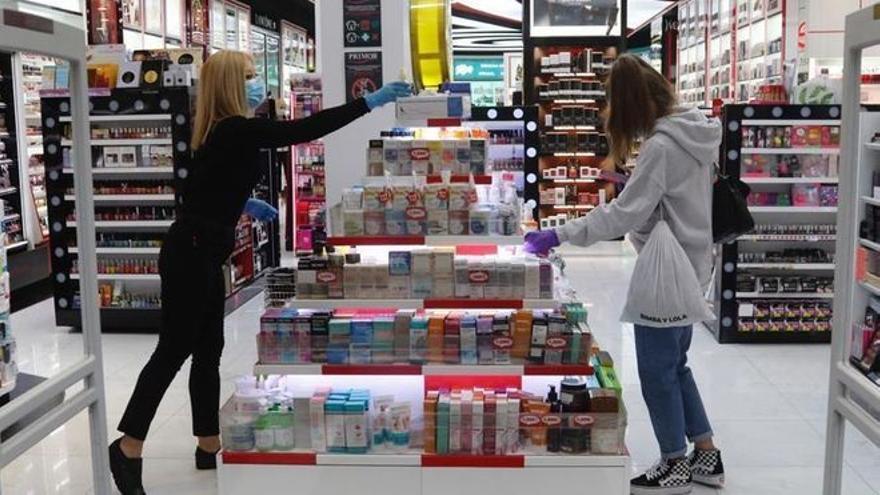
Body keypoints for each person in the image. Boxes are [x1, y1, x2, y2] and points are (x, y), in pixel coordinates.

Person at [108, 50, 411, 495]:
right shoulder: (236, 129)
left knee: (208, 349)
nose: (258, 83)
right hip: (191, 252)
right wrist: (369, 102)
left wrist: (239, 204)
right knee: (173, 351)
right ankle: (128, 445)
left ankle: (207, 442)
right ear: (231, 84)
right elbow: (301, 130)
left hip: (205, 249)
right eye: (249, 76)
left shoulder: (218, 130)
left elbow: (197, 186)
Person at [524, 54, 724, 495]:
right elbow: (667, 197)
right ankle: (706, 453)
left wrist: (557, 234)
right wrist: (634, 181)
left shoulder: (661, 146)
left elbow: (622, 216)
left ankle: (674, 462)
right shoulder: (694, 130)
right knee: (677, 365)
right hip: (693, 264)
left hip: (665, 274)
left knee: (656, 371)